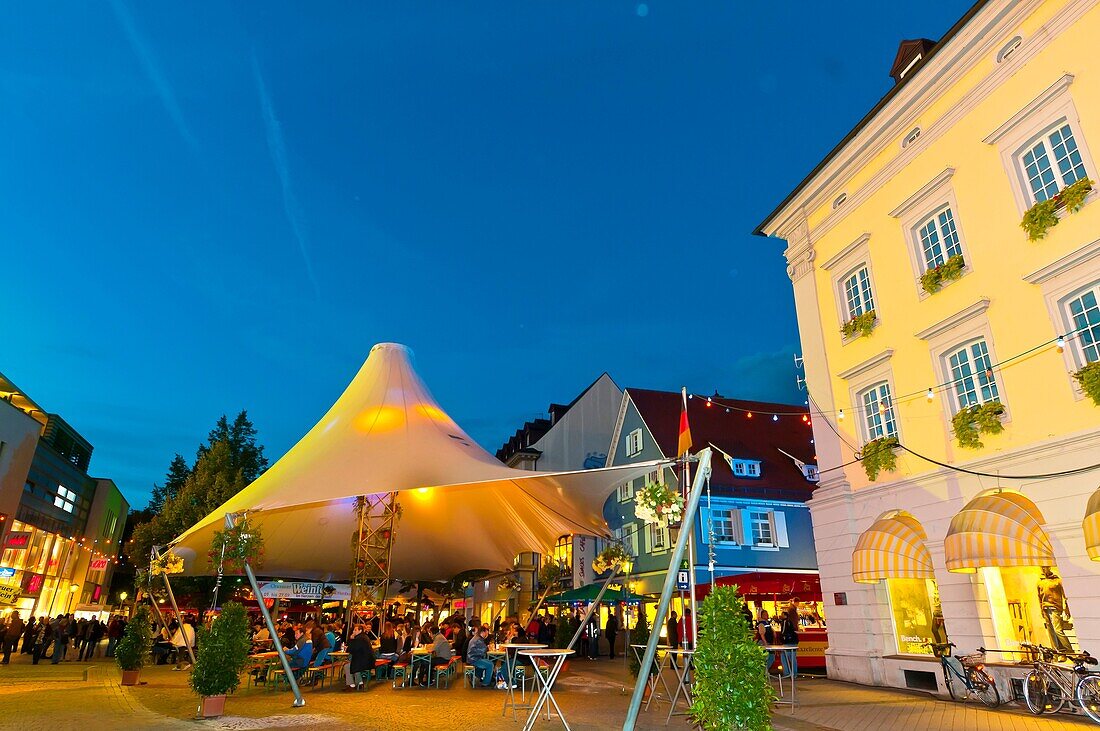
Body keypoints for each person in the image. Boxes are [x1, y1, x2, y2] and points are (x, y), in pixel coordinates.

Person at [1038, 566, 1074, 654]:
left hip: (1055, 608)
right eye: (1042, 568)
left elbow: (1065, 595)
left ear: (1049, 568)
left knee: (1058, 630)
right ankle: (1057, 653)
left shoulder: (1057, 581)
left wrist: (1067, 608)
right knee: (1051, 631)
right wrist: (1041, 609)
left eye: (1045, 567)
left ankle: (1070, 652)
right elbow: (1039, 597)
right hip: (1045, 608)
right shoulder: (1040, 582)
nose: (1043, 569)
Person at [342, 624, 375, 691]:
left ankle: (351, 685)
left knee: (347, 666)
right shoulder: (364, 637)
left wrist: (351, 639)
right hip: (368, 660)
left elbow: (351, 649)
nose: (353, 631)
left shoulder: (359, 638)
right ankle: (360, 683)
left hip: (364, 662)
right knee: (354, 664)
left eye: (355, 630)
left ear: (360, 630)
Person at [780, 598, 801, 679]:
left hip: (788, 640)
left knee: (784, 656)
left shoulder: (785, 621)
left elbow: (783, 632)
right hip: (794, 639)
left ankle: (787, 672)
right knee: (793, 658)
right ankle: (794, 673)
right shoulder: (793, 611)